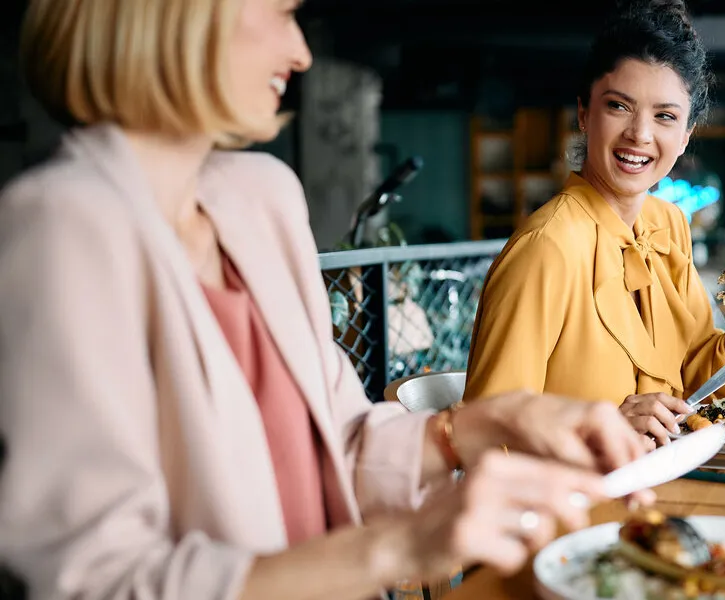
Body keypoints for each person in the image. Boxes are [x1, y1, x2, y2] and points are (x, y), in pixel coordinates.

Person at [0, 0, 653, 598]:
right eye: (283, 13)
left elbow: (337, 443)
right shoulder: (62, 225)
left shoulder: (263, 197)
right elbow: (95, 582)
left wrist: (491, 421)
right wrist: (401, 544)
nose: (302, 53)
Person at [462, 0, 725, 446]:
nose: (640, 133)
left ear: (686, 135)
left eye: (665, 116)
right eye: (619, 106)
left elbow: (699, 382)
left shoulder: (668, 224)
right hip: (575, 504)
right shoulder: (547, 247)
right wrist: (598, 427)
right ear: (583, 113)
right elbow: (481, 432)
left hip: (670, 484)